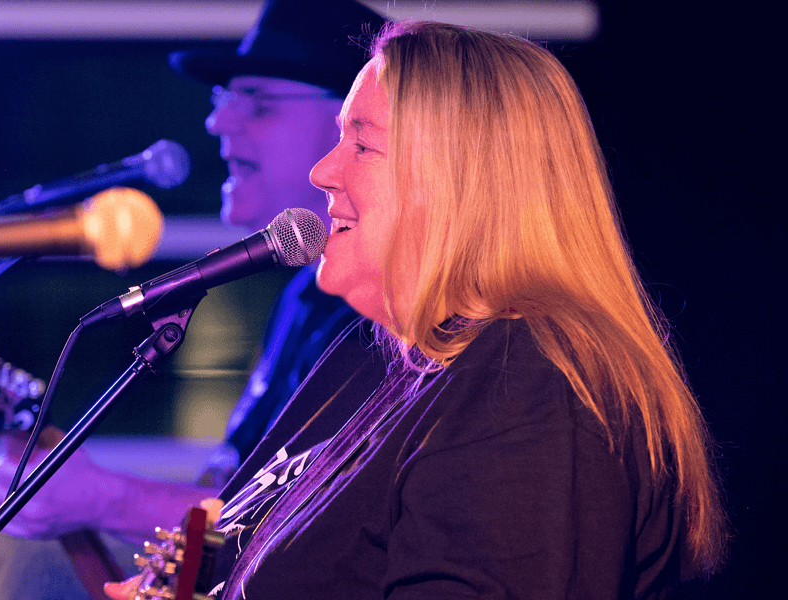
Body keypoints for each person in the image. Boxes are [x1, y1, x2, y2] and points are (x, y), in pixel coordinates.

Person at [106, 19, 729, 600]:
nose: (323, 172)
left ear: (460, 180)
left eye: (362, 145)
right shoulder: (403, 369)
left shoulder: (523, 384)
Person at [0, 1, 381, 598]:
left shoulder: (384, 319)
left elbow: (311, 521)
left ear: (351, 127)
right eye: (224, 98)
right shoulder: (304, 296)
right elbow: (248, 489)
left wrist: (104, 498)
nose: (219, 123)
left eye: (260, 101)